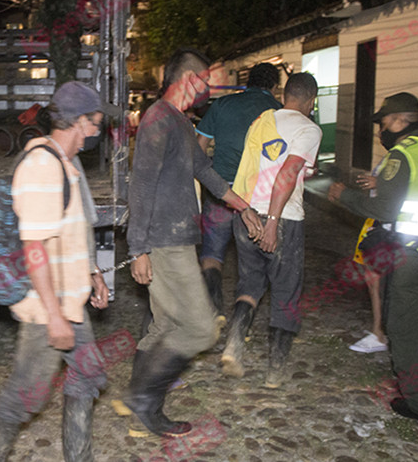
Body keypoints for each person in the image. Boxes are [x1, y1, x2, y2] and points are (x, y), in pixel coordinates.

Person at [124, 48, 263, 438]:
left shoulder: (181, 123)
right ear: (188, 79)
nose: (208, 88)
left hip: (178, 237)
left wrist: (243, 206)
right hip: (164, 242)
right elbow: (143, 185)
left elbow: (205, 170)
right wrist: (138, 249)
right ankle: (144, 399)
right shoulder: (157, 119)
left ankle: (143, 407)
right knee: (202, 330)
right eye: (205, 80)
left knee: (164, 326)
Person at [0, 81, 116, 461]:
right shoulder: (42, 166)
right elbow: (35, 247)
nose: (96, 131)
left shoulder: (66, 164)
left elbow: (69, 231)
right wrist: (54, 316)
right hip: (46, 306)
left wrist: (91, 272)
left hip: (68, 303)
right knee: (26, 396)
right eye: (95, 123)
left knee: (89, 374)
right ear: (79, 122)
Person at [328, 92, 418, 425]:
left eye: (384, 122)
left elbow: (382, 209)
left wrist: (343, 195)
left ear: (399, 121)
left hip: (414, 256)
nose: (382, 128)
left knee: (403, 329)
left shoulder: (402, 155)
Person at [221, 72, 322, 388]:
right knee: (285, 291)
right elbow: (286, 175)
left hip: (246, 212)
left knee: (250, 282)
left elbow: (264, 163)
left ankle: (234, 345)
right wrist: (274, 223)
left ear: (284, 95)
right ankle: (275, 372)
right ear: (311, 101)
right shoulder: (308, 128)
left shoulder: (262, 121)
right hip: (282, 218)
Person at [196, 62, 282, 315]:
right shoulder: (278, 111)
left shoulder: (222, 105)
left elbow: (199, 145)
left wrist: (207, 175)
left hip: (220, 190)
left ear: (247, 83)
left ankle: (213, 308)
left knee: (212, 252)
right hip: (258, 196)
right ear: (274, 87)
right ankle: (242, 318)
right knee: (253, 261)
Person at [348, 169, 388, 354]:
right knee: (373, 280)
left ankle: (381, 333)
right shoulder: (394, 154)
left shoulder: (409, 155)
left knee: (380, 281)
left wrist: (379, 183)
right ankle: (378, 329)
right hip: (377, 221)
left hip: (392, 225)